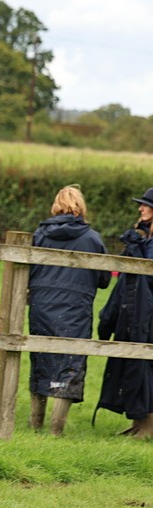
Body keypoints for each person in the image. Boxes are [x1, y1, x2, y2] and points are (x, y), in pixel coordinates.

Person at [27, 186, 111, 435]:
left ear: (56, 205)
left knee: (42, 360)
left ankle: (35, 425)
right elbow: (104, 279)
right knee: (70, 363)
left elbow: (28, 270)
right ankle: (56, 429)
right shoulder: (92, 239)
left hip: (41, 307)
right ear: (81, 207)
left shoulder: (40, 234)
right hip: (75, 311)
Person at [96, 187, 153, 438]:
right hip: (136, 308)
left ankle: (148, 425)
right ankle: (140, 422)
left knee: (145, 364)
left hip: (149, 311)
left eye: (145, 205)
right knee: (134, 363)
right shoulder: (145, 238)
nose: (140, 209)